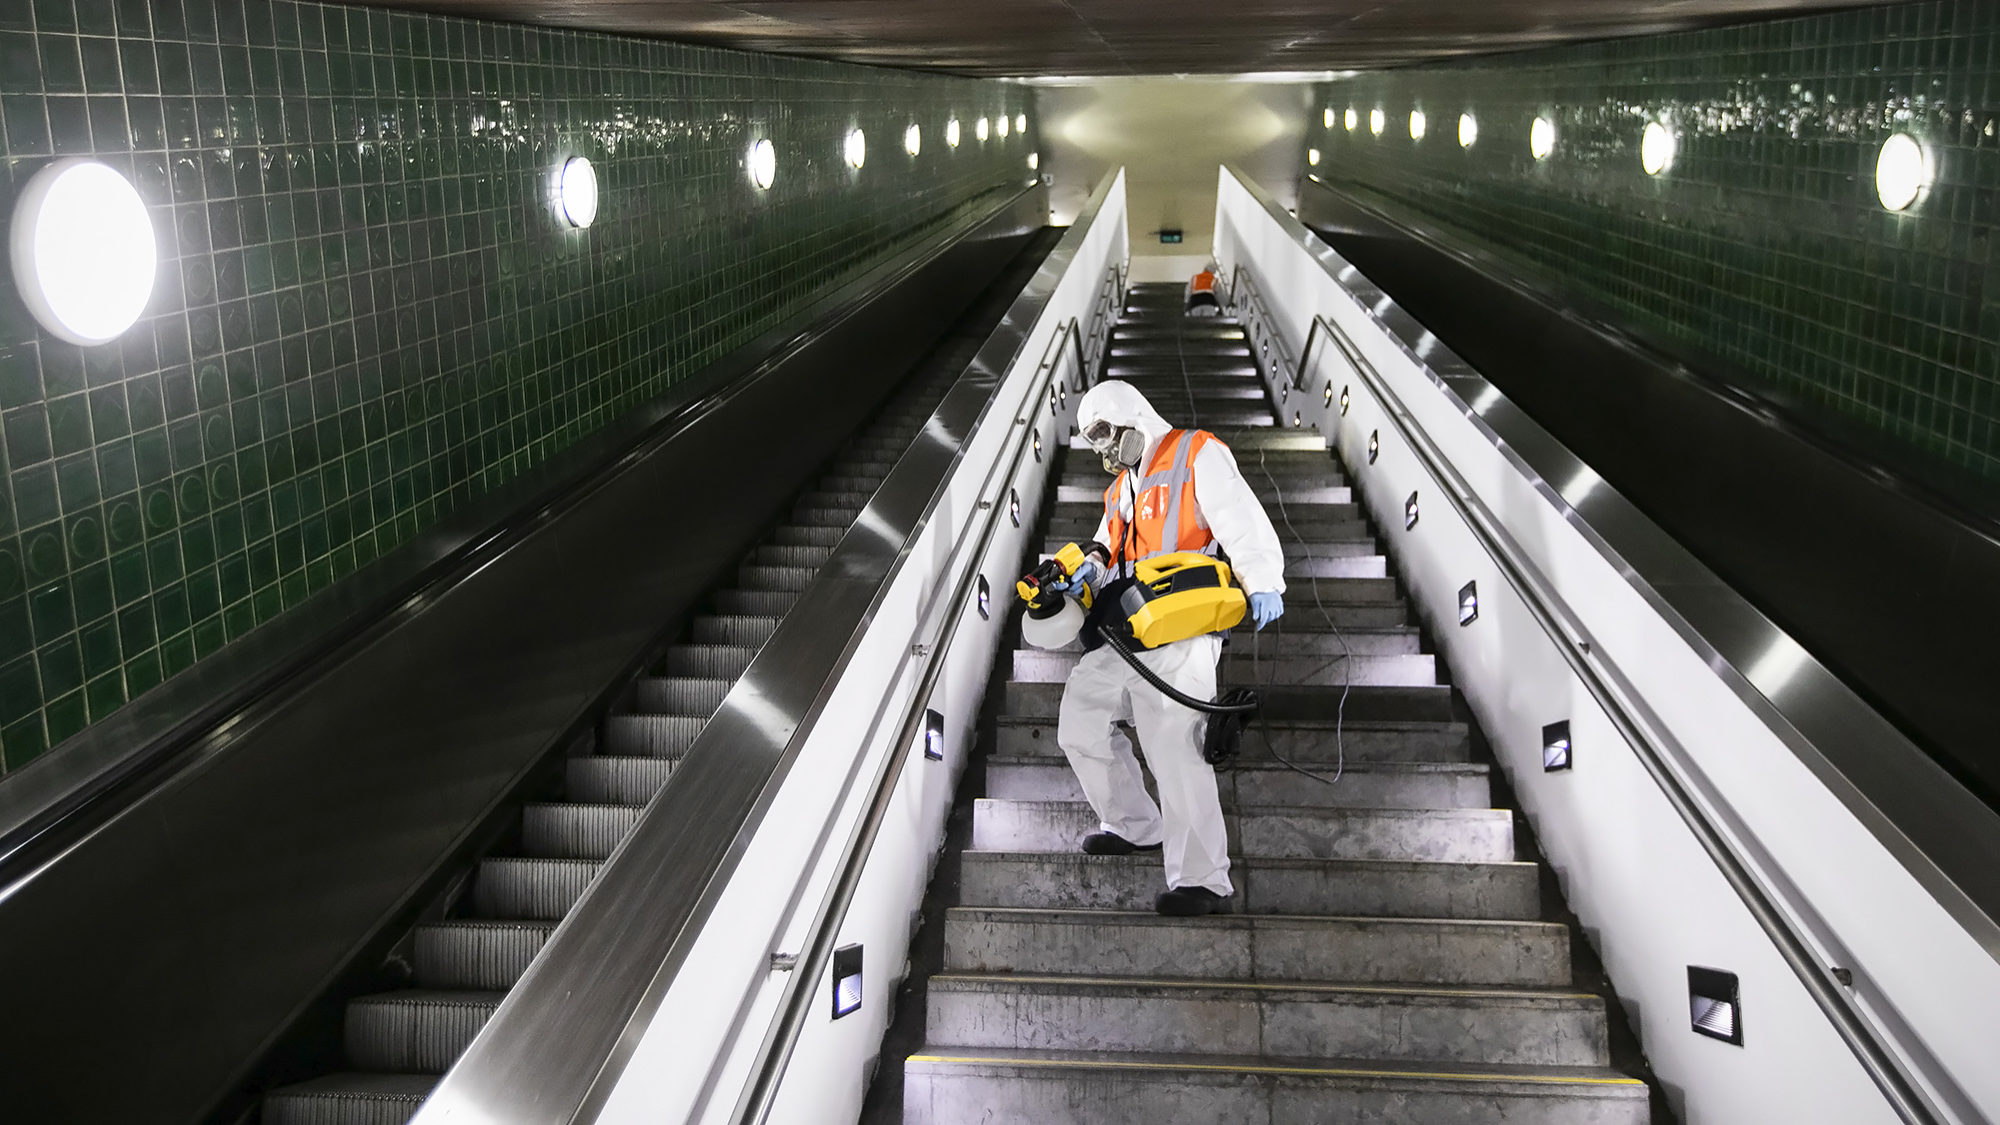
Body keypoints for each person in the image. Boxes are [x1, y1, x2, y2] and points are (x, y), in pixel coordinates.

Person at [1050, 381, 1285, 916]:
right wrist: (1085, 571)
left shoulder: (1195, 451)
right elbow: (1106, 548)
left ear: (1135, 415)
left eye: (1107, 434)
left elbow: (1238, 513)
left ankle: (1204, 880)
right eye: (1093, 442)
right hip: (1128, 629)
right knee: (1080, 721)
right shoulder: (1120, 491)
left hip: (1184, 623)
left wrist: (1262, 578)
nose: (1104, 451)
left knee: (1176, 745)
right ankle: (1136, 826)